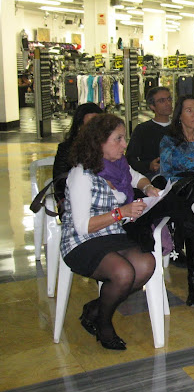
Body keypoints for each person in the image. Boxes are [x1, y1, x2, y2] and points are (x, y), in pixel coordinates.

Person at [60, 114, 159, 350]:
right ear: (99, 143)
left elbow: (135, 177)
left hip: (111, 234)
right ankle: (104, 323)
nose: (125, 144)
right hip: (80, 241)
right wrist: (121, 212)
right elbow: (83, 226)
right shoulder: (82, 175)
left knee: (146, 264)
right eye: (118, 139)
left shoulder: (118, 166)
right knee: (123, 273)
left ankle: (94, 308)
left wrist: (147, 187)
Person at [159, 95, 194, 306]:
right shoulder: (168, 141)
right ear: (179, 115)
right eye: (189, 110)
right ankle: (193, 284)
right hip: (179, 192)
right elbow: (169, 169)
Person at [53, 102, 103, 213]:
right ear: (79, 126)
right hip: (76, 201)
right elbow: (59, 181)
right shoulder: (66, 148)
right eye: (90, 124)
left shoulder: (109, 146)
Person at [126, 87, 172, 182]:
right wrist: (148, 165)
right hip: (153, 178)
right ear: (152, 106)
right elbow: (130, 159)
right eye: (162, 101)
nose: (168, 103)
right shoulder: (142, 130)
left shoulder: (179, 128)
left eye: (169, 99)